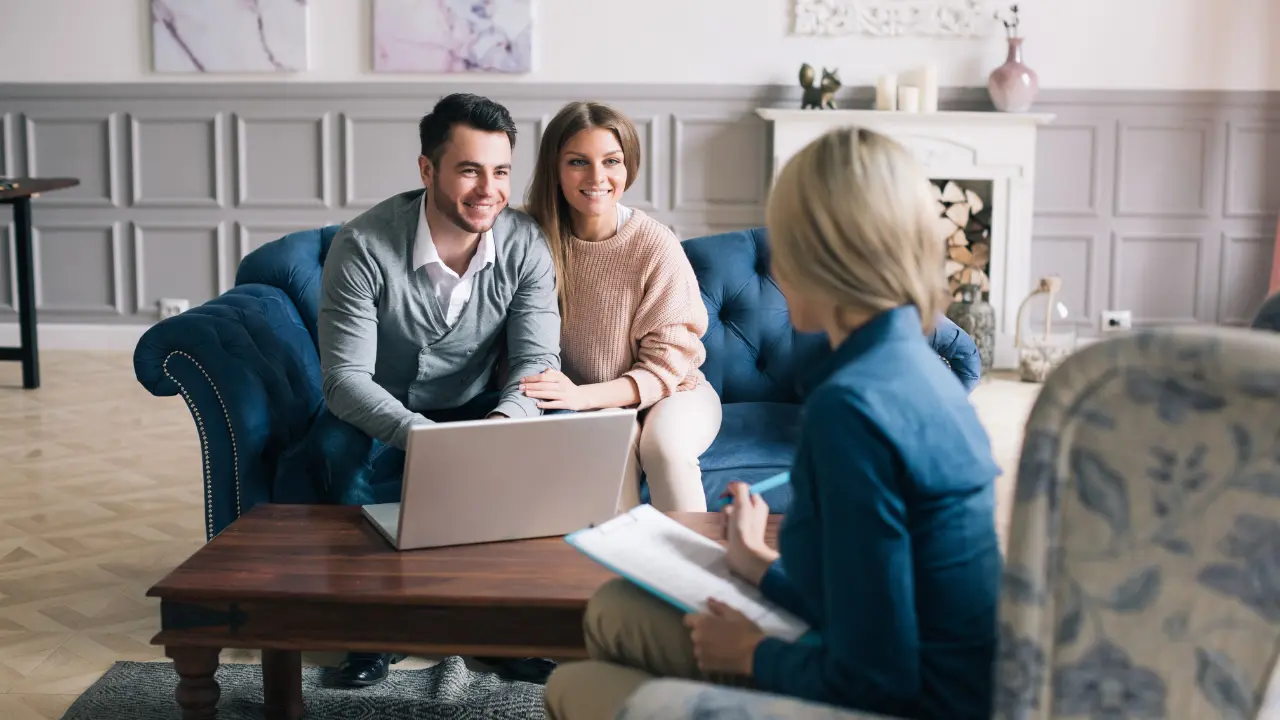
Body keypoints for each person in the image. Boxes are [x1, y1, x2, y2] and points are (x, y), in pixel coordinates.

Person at [543, 127, 1003, 719]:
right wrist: (758, 567)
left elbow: (878, 676)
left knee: (572, 687)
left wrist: (751, 655)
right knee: (614, 609)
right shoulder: (911, 367)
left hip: (913, 704)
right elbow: (872, 598)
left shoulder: (852, 409)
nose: (777, 265)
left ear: (823, 254)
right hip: (920, 670)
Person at [314, 92, 561, 687]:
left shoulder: (525, 243)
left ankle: (502, 629)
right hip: (376, 410)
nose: (489, 190)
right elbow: (345, 380)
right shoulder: (363, 245)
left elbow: (537, 362)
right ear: (427, 170)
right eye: (469, 170)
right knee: (334, 462)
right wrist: (427, 440)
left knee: (532, 457)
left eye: (500, 171)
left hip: (478, 408)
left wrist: (501, 427)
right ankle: (370, 633)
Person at [520, 101, 721, 512]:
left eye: (611, 161)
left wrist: (580, 397)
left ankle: (691, 555)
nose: (597, 178)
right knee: (610, 445)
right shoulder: (530, 237)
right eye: (578, 162)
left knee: (664, 448)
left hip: (675, 391)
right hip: (592, 401)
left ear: (629, 167)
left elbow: (666, 369)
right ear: (555, 169)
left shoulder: (654, 244)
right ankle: (624, 553)